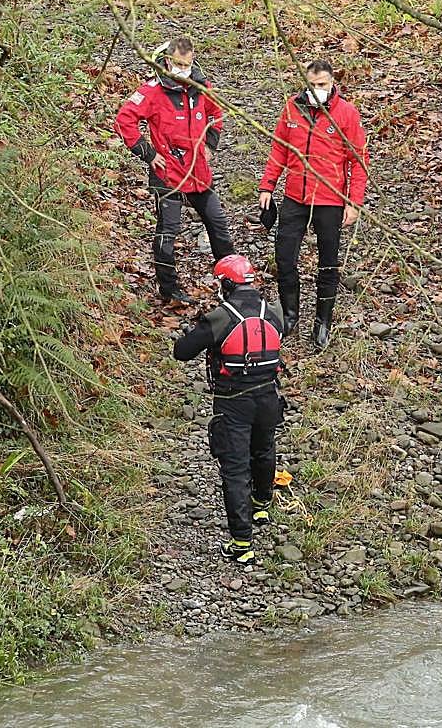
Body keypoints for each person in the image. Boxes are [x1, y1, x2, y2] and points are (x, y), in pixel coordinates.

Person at [173, 254, 285, 564]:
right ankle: (262, 505)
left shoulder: (222, 316)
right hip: (269, 396)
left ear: (226, 284)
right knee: (264, 449)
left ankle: (242, 545)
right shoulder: (272, 310)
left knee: (235, 469)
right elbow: (281, 332)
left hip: (233, 401)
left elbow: (181, 351)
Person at [115, 37, 235, 305]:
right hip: (167, 174)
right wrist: (148, 153)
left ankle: (232, 284)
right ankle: (169, 290)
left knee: (219, 227)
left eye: (188, 64)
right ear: (168, 61)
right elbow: (124, 121)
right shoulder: (152, 91)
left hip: (198, 173)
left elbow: (217, 114)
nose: (184, 69)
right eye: (179, 64)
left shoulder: (201, 87)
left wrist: (211, 145)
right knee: (167, 233)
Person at [259, 60, 369, 349]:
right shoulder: (291, 108)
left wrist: (353, 202)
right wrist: (268, 185)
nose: (317, 89)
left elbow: (358, 163)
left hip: (330, 199)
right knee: (284, 258)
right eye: (312, 85)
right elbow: (279, 149)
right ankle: (290, 315)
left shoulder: (346, 114)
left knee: (328, 264)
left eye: (322, 85)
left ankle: (323, 321)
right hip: (295, 196)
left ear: (332, 83)